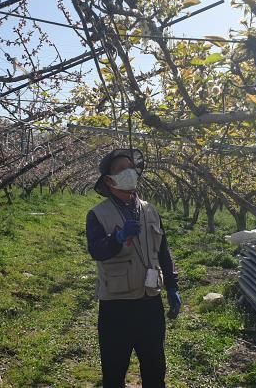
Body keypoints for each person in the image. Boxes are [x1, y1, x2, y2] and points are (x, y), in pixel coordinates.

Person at [86, 148, 182, 388]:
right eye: (121, 169)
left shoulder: (150, 210)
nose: (129, 172)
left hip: (150, 303)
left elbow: (163, 251)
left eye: (131, 167)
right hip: (116, 305)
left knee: (155, 366)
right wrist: (117, 238)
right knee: (114, 369)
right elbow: (97, 250)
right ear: (109, 180)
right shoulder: (98, 214)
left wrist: (172, 286)